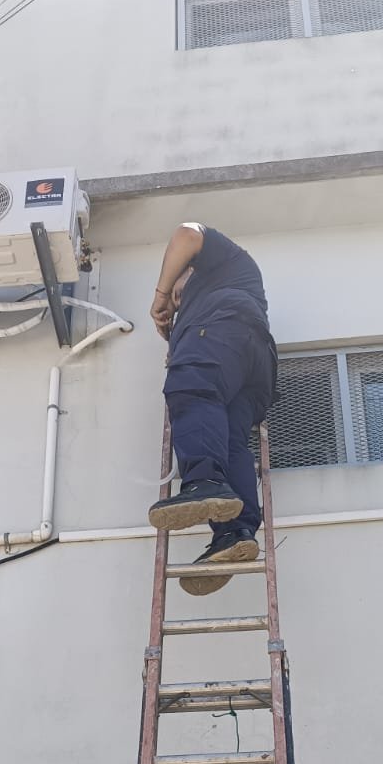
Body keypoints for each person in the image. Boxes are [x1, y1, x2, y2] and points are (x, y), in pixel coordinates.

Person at [147, 223, 277, 594]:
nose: (175, 301)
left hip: (223, 333)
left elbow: (187, 233)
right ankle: (235, 532)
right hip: (252, 366)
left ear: (193, 270)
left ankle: (203, 481)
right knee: (231, 441)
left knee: (190, 388)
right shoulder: (242, 287)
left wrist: (159, 296)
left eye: (177, 293)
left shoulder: (224, 262)